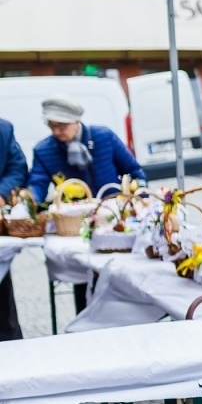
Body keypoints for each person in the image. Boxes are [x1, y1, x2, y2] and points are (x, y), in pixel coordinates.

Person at [28, 97, 146, 313]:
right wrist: (31, 201)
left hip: (114, 222)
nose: (56, 132)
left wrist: (139, 194)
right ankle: (87, 319)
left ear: (76, 121)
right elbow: (37, 182)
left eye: (62, 126)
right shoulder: (44, 150)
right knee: (83, 275)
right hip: (74, 225)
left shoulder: (104, 137)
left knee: (119, 274)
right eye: (51, 126)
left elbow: (133, 171)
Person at [0, 116, 28, 341]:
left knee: (2, 297)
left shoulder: (3, 129)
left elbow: (17, 168)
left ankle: (10, 345)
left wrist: (2, 192)